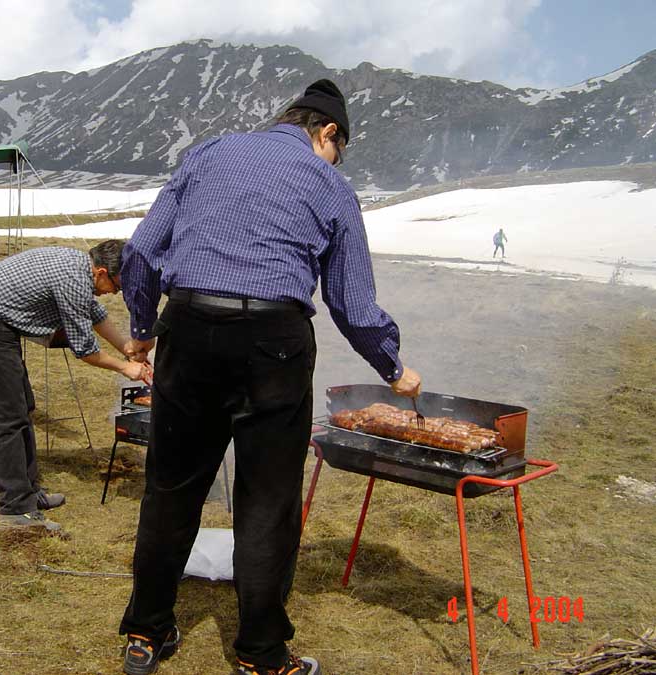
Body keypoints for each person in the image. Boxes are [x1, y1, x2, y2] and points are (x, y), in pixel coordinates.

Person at [117, 79, 422, 675]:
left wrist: (143, 324)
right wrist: (393, 366)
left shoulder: (210, 152)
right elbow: (351, 302)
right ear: (327, 133)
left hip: (191, 325)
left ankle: (146, 633)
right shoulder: (332, 185)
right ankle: (260, 655)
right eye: (339, 147)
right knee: (267, 502)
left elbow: (142, 249)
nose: (335, 158)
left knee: (172, 487)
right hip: (274, 345)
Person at [0, 240, 152, 531]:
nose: (114, 293)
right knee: (6, 419)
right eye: (116, 285)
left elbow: (96, 316)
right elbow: (85, 350)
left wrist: (127, 347)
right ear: (100, 272)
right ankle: (14, 508)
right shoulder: (74, 279)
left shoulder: (79, 269)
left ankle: (29, 492)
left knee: (23, 408)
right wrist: (127, 367)